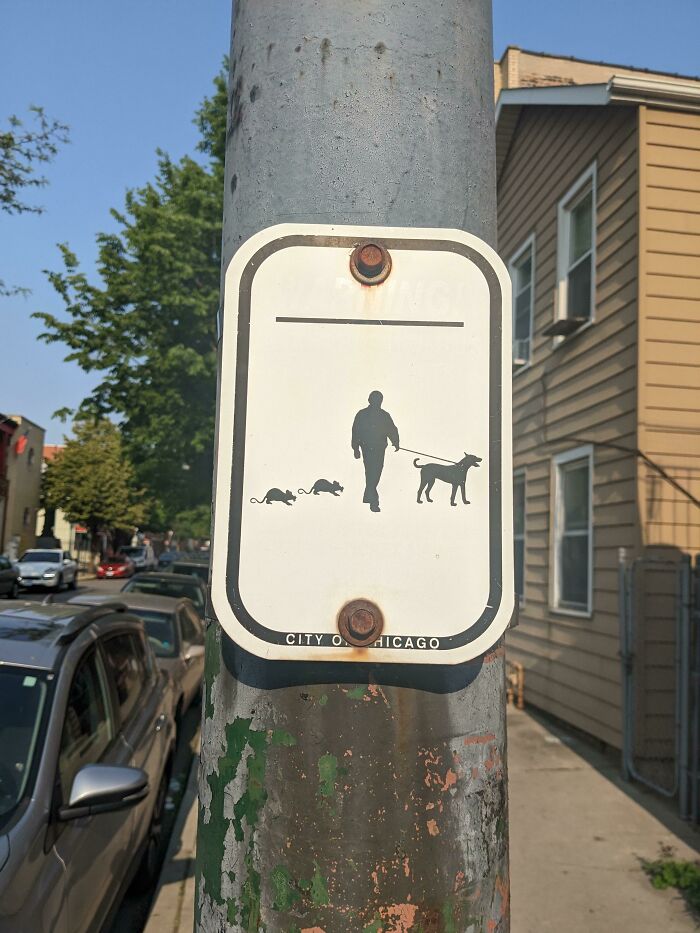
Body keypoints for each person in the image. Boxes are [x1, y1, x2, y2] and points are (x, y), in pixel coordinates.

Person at [351, 390, 400, 512]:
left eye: (379, 400)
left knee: (376, 472)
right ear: (369, 400)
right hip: (367, 448)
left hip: (379, 448)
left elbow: (392, 429)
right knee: (371, 472)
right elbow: (355, 431)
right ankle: (373, 501)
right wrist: (355, 448)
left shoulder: (384, 415)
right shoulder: (362, 414)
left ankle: (370, 497)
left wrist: (396, 442)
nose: (377, 402)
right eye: (375, 400)